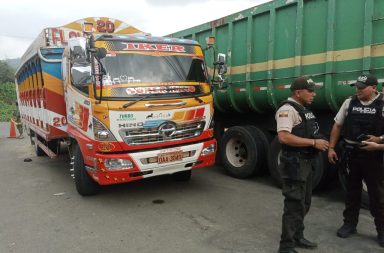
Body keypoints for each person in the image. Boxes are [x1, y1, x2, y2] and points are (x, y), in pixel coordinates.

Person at [328, 74, 384, 247]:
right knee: (352, 191)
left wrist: (380, 140)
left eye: (362, 87)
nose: (357, 90)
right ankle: (349, 224)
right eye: (356, 87)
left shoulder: (382, 104)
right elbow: (337, 125)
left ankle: (382, 231)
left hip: (374, 157)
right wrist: (331, 147)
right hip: (352, 154)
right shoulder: (349, 102)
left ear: (374, 88)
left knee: (377, 195)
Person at [276, 76, 329, 253]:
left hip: (306, 162)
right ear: (298, 93)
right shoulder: (287, 110)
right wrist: (313, 143)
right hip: (294, 163)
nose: (313, 94)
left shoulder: (304, 110)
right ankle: (286, 246)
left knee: (304, 203)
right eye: (310, 91)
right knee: (294, 205)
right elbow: (284, 137)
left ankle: (298, 236)